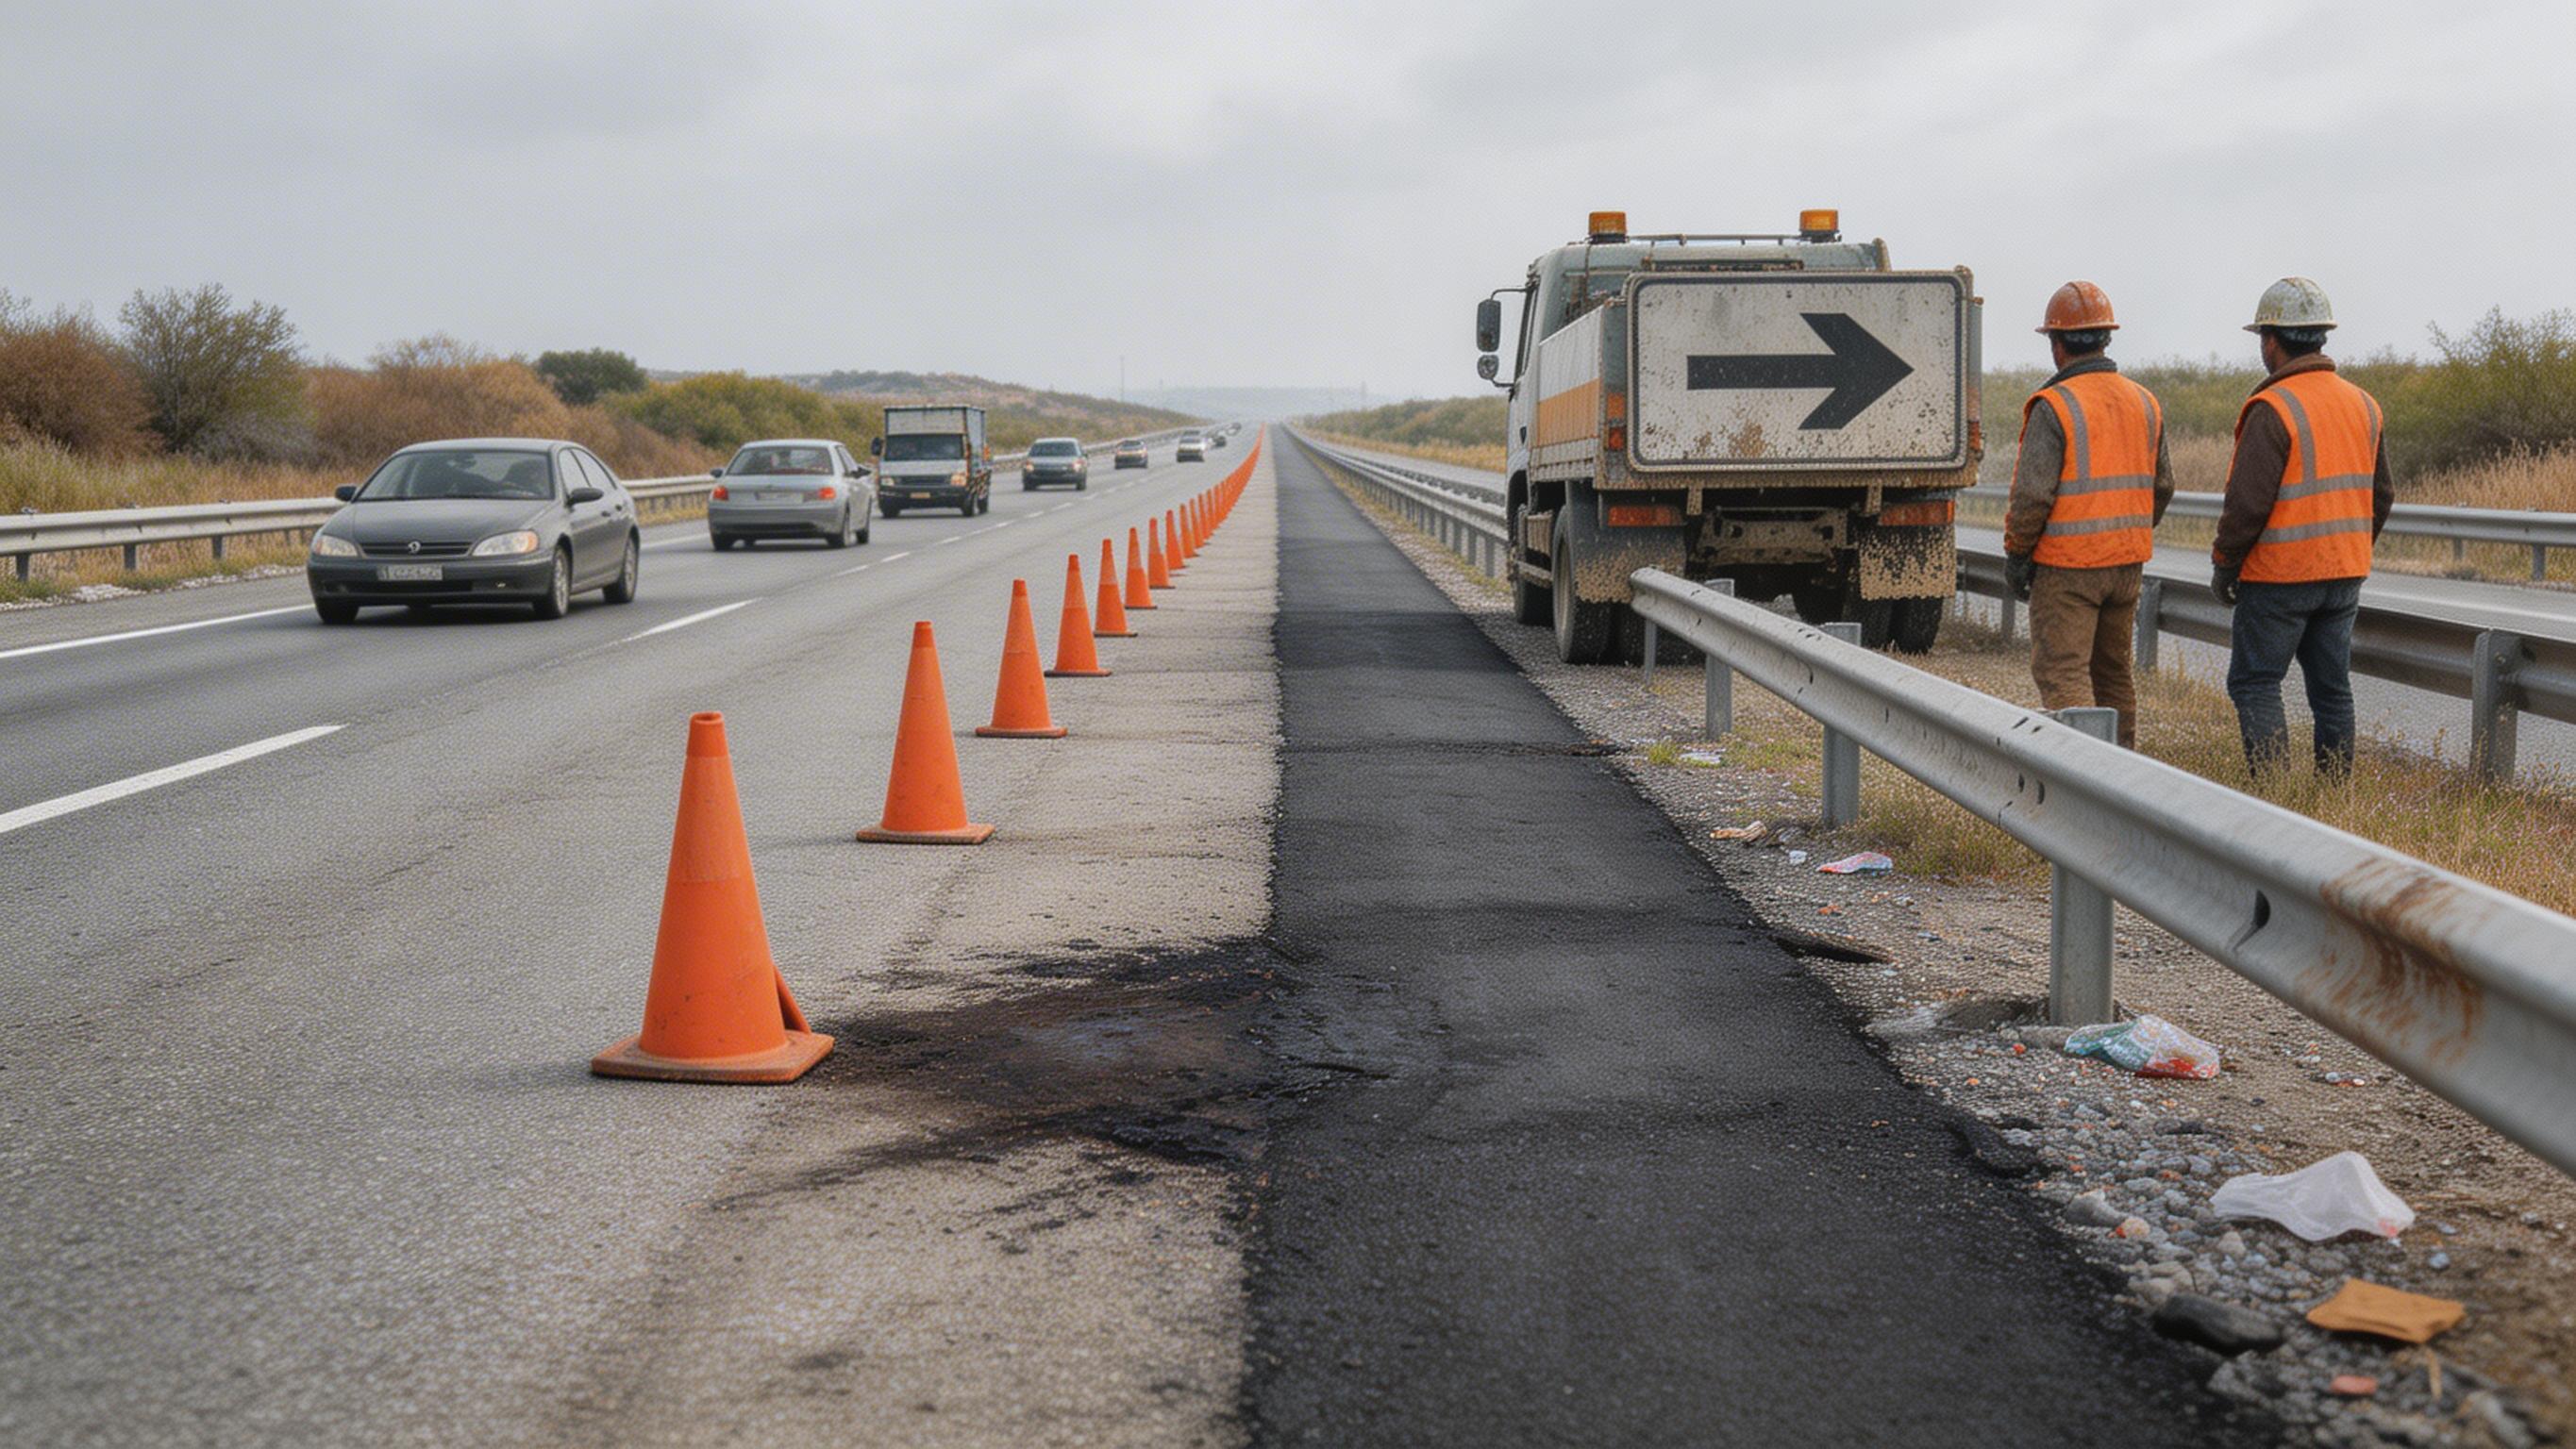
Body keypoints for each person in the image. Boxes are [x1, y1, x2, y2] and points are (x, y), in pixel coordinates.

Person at [2212, 276, 2395, 774]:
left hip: (2280, 578)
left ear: (2272, 340)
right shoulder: (2363, 403)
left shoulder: (2273, 408)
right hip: (2343, 577)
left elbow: (2246, 506)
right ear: (2320, 337)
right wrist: (2348, 547)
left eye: (2262, 339)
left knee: (2255, 682)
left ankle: (2273, 796)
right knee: (2333, 690)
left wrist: (2225, 563)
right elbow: (2383, 496)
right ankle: (2334, 793)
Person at [2003, 280, 2174, 748]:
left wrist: (2018, 555)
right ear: (2106, 339)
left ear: (2058, 346)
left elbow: (2032, 496)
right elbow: (2164, 486)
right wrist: (2126, 532)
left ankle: (2084, 779)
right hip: (2126, 567)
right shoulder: (2145, 401)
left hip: (2068, 569)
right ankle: (2124, 773)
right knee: (2114, 674)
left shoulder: (2054, 405)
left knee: (2063, 672)